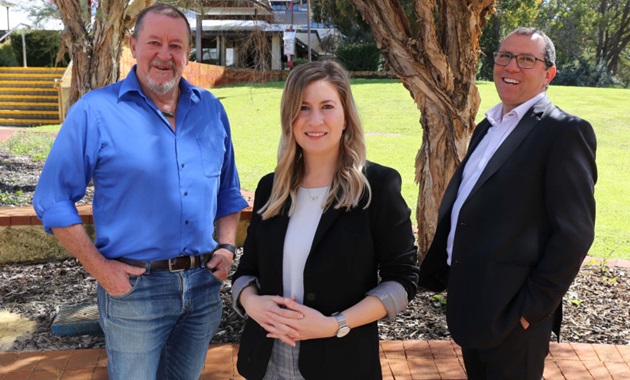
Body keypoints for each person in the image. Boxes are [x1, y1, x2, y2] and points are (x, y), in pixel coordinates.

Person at [33, 3, 248, 379]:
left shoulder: (211, 110)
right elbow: (52, 199)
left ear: (188, 53)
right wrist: (101, 270)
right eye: (154, 42)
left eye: (176, 45)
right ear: (133, 45)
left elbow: (229, 191)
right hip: (134, 290)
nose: (165, 55)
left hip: (202, 288)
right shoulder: (96, 111)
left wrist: (227, 248)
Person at [418, 27, 597, 379]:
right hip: (472, 301)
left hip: (515, 315)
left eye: (526, 59)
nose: (511, 66)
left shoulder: (564, 133)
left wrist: (531, 310)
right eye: (504, 56)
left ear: (549, 74)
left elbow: (574, 235)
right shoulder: (488, 126)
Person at [231, 61, 420, 380]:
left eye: (327, 106)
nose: (314, 120)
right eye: (303, 107)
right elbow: (247, 269)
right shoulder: (271, 187)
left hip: (341, 362)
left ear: (346, 116)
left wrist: (335, 324)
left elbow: (402, 281)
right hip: (268, 362)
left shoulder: (378, 187)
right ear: (289, 117)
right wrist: (251, 303)